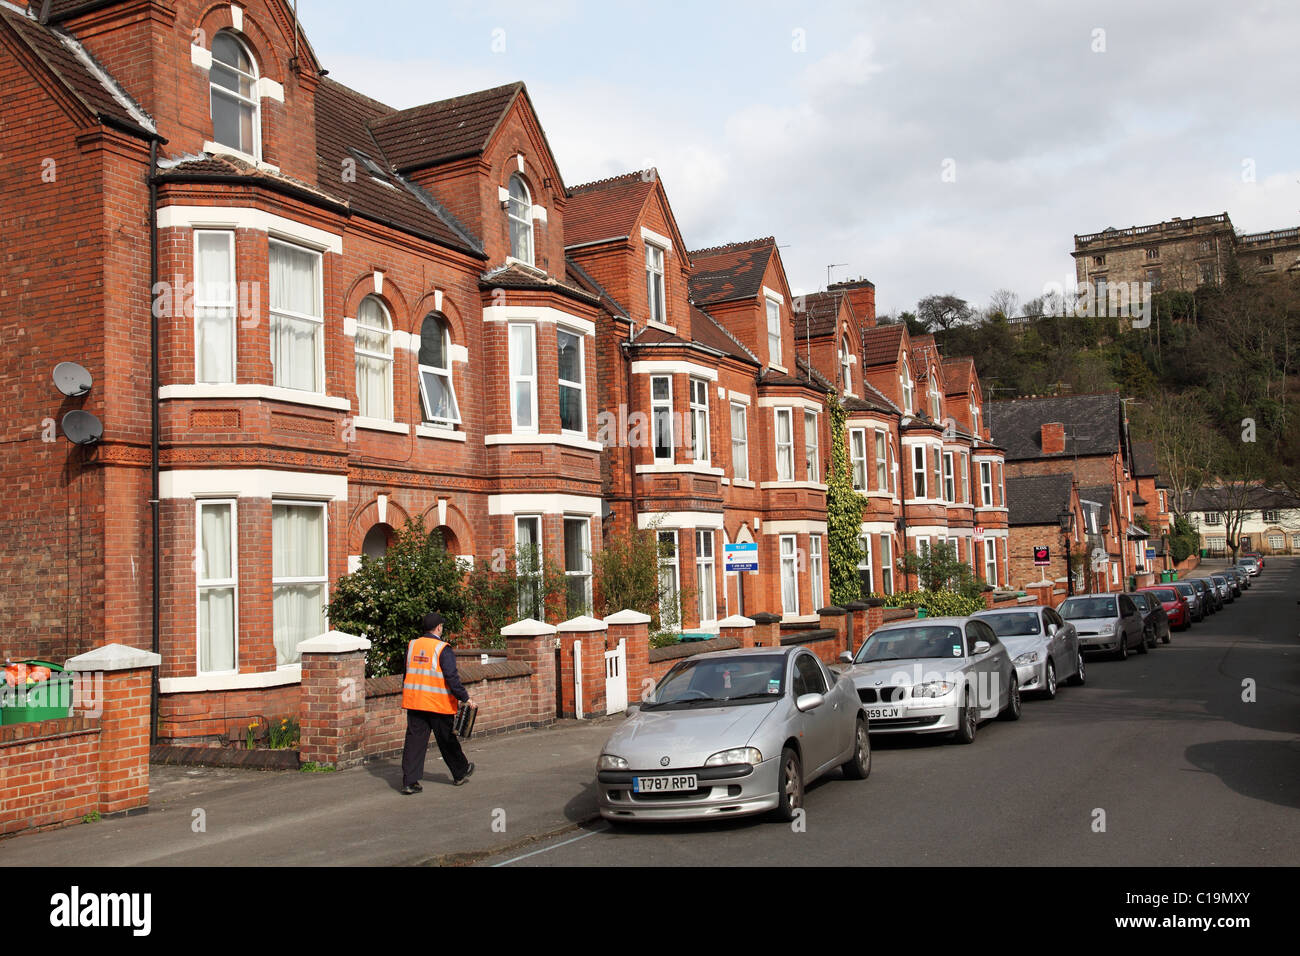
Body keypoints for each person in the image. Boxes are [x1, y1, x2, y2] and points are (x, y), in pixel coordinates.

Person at [400, 611, 474, 793]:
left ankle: (410, 782)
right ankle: (460, 772)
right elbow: (451, 677)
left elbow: (406, 673)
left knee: (414, 742)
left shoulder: (412, 646)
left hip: (415, 702)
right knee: (447, 740)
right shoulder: (442, 648)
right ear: (439, 627)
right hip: (437, 703)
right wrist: (465, 698)